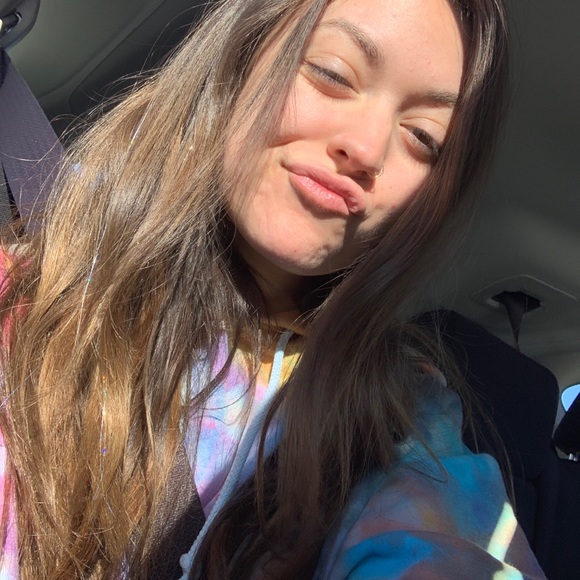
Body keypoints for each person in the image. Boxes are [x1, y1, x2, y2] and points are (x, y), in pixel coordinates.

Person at [0, 0, 547, 577]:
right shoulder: (36, 290)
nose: (366, 149)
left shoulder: (401, 410)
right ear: (242, 56)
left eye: (423, 137)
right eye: (332, 74)